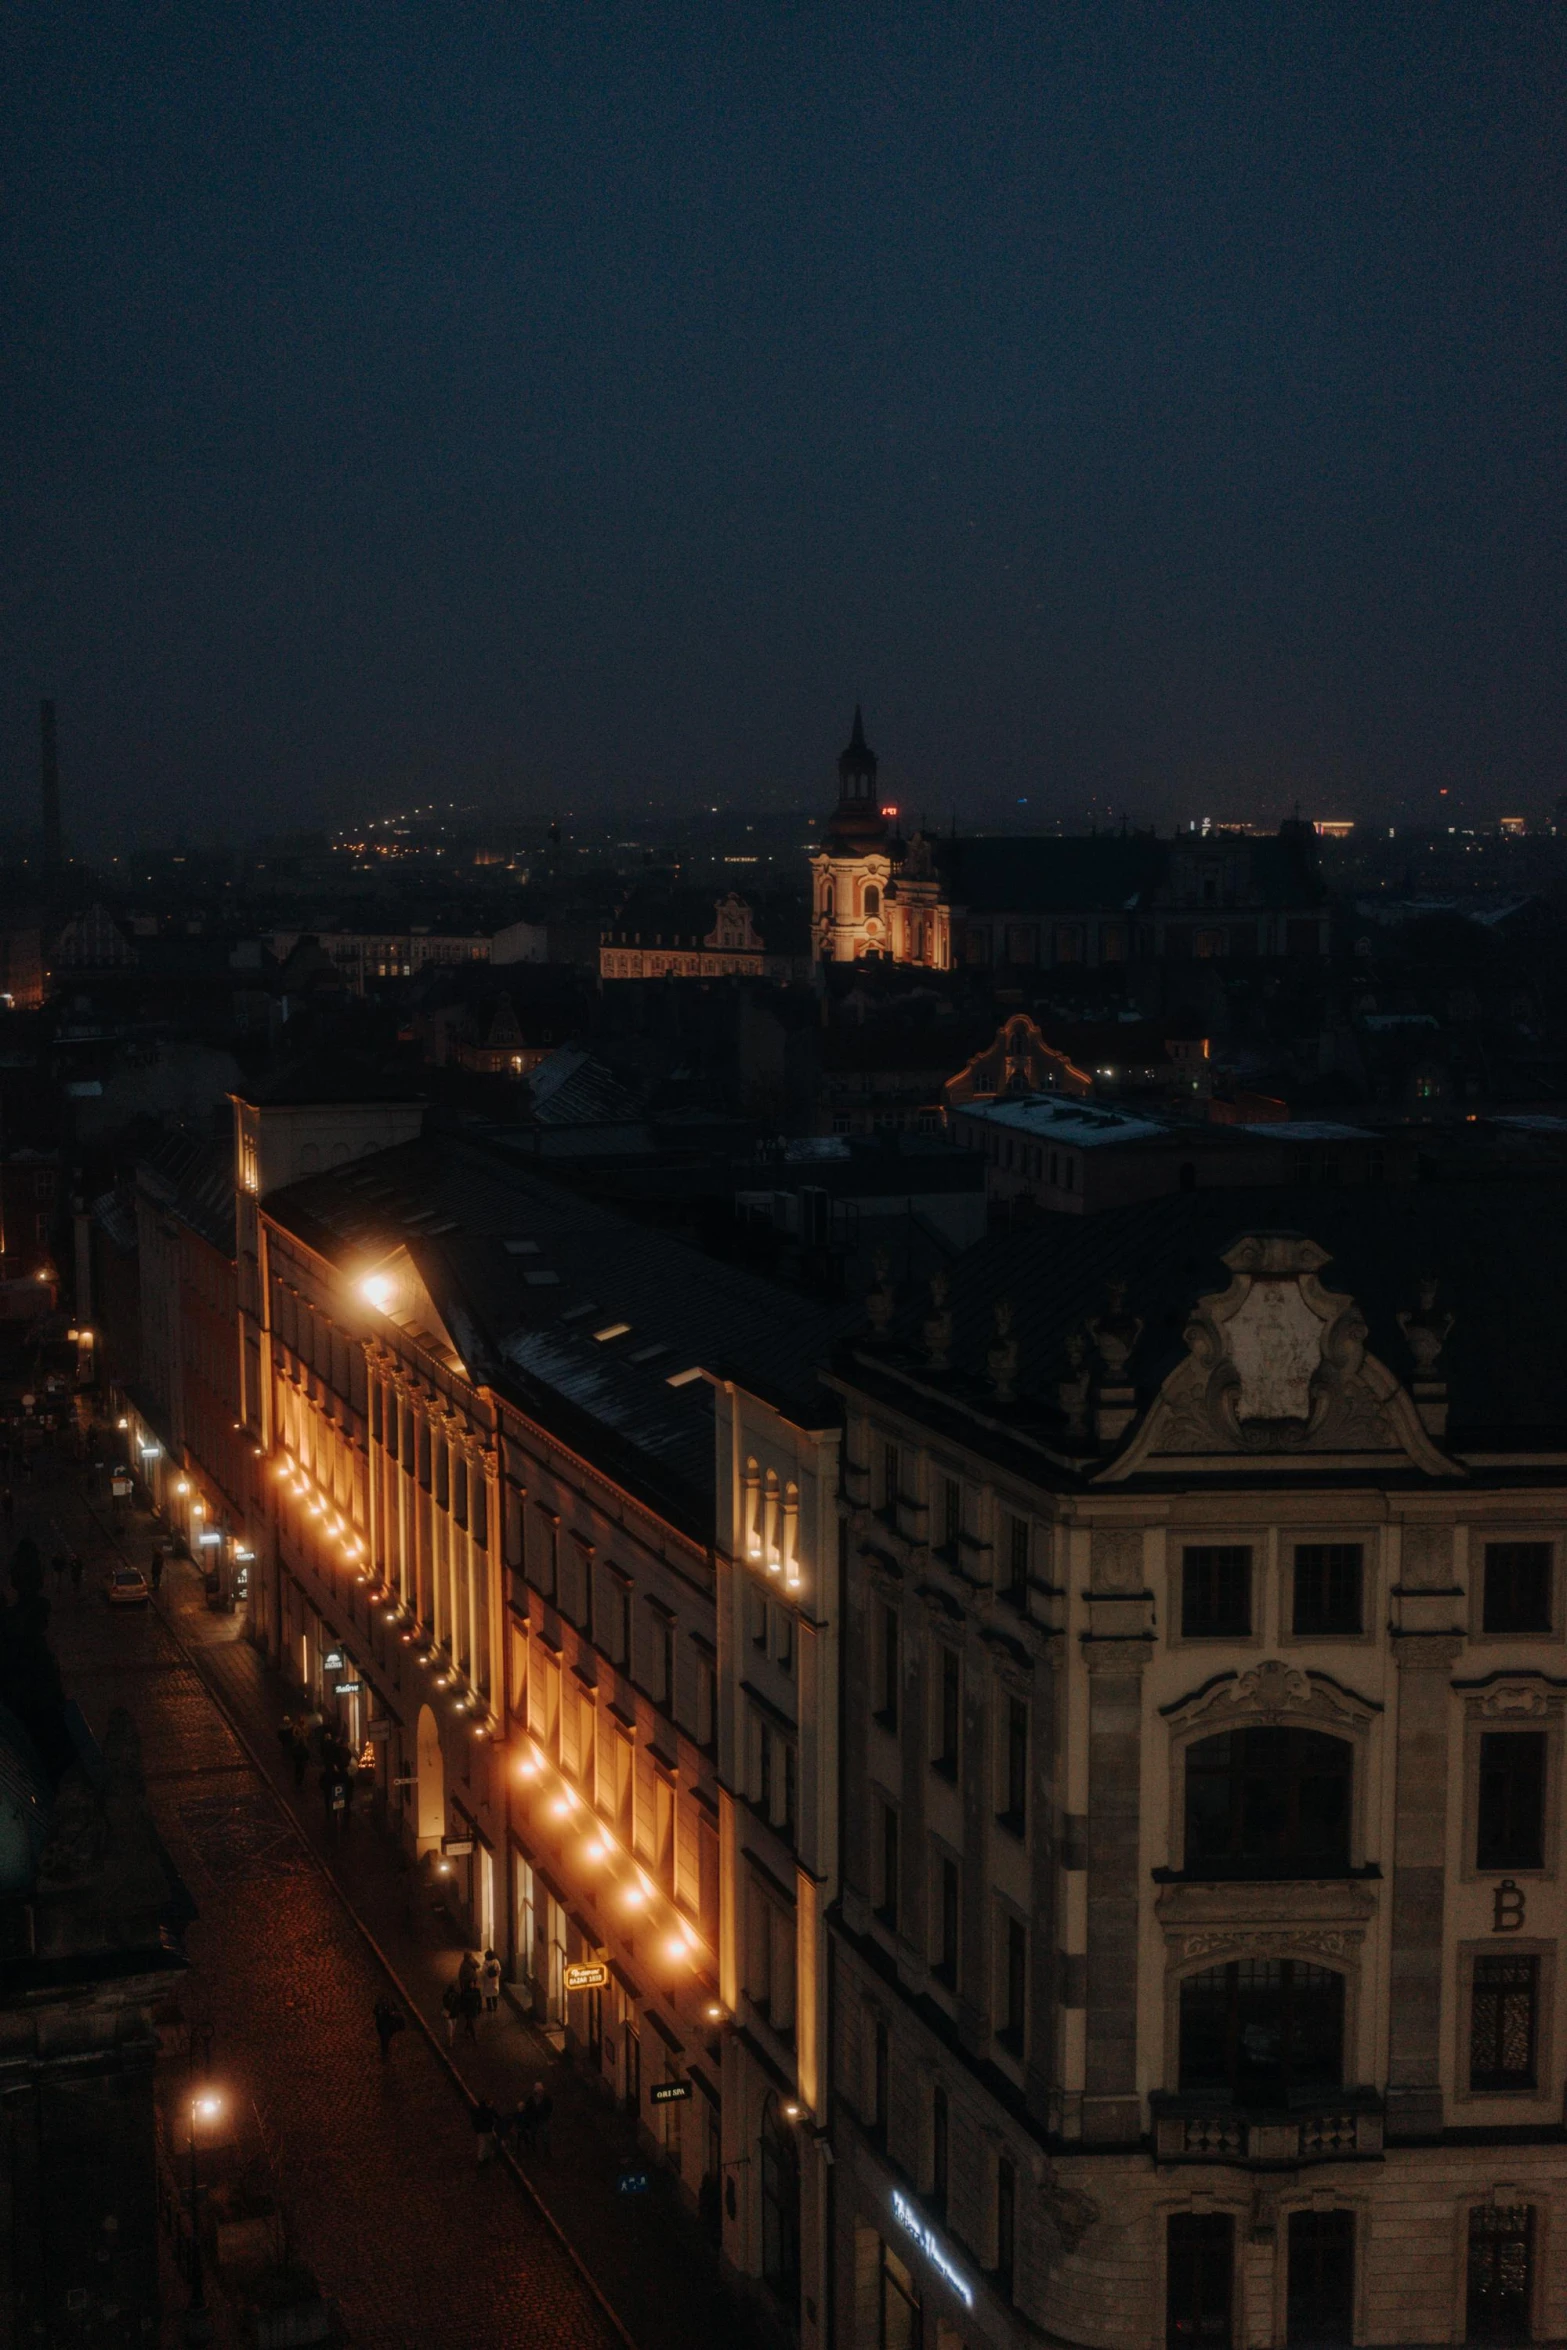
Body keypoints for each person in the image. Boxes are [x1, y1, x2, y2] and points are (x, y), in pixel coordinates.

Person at [526, 2081, 553, 2158]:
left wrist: (546, 2115)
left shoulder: (547, 2099)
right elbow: (528, 2109)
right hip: (534, 2120)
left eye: (541, 2090)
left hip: (543, 2120)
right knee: (534, 2135)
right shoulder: (531, 2099)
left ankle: (546, 2152)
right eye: (538, 2090)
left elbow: (550, 2108)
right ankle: (535, 2151)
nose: (540, 2092)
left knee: (545, 2135)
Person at [373, 1995, 405, 2061]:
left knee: (385, 2039)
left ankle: (384, 2053)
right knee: (384, 2039)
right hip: (383, 2025)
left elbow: (375, 2012)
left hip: (386, 2026)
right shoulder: (383, 2005)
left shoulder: (388, 2005)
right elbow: (375, 2012)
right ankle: (385, 2053)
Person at [472, 2097, 498, 2168]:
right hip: (485, 2131)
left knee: (485, 2145)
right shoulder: (485, 2111)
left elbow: (474, 2122)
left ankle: (483, 2158)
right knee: (485, 2145)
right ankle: (483, 2158)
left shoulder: (479, 2111)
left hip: (484, 2131)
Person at [480, 1948, 501, 2014]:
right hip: (494, 1981)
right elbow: (499, 1970)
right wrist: (497, 1976)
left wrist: (484, 1978)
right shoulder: (496, 1962)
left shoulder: (485, 1964)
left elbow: (482, 1973)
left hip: (487, 1981)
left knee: (488, 1995)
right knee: (494, 1994)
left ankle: (489, 2008)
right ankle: (495, 2007)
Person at [440, 1981, 461, 2048]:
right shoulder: (456, 1995)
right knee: (452, 2028)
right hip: (453, 2014)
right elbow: (458, 2004)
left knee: (450, 2028)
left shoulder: (446, 1995)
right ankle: (450, 2042)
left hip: (449, 2014)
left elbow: (445, 2004)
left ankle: (450, 2042)